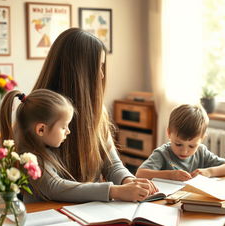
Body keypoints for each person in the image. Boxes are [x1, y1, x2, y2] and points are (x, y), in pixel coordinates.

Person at [16, 27, 157, 203]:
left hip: (86, 215)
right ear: (80, 73)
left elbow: (112, 164)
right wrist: (114, 191)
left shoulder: (97, 113)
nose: (102, 74)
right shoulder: (36, 115)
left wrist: (128, 181)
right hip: (46, 219)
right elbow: (52, 186)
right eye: (99, 67)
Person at [136, 104, 225, 181]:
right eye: (178, 144)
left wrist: (209, 172)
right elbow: (140, 174)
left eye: (191, 146)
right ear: (169, 133)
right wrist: (170, 175)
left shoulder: (201, 152)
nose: (184, 151)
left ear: (202, 139)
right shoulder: (162, 153)